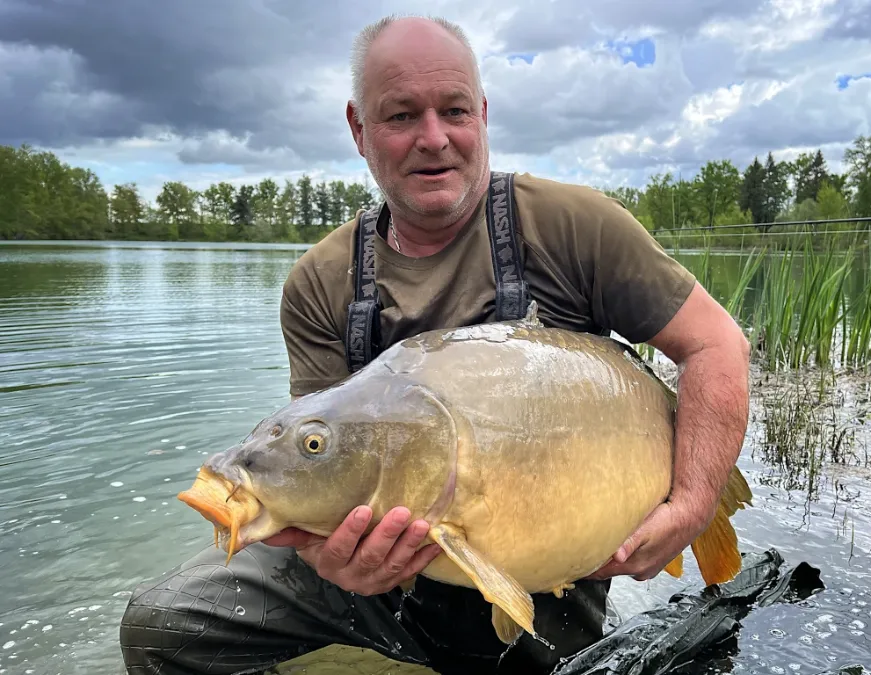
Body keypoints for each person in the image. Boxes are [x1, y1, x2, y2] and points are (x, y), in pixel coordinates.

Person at [119, 13, 750, 675]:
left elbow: (716, 346)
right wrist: (323, 552)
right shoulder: (320, 282)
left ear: (481, 113)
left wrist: (693, 502)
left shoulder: (576, 227)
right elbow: (320, 470)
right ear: (358, 129)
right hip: (375, 575)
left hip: (548, 573)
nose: (433, 138)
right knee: (163, 629)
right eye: (399, 116)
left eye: (453, 110)